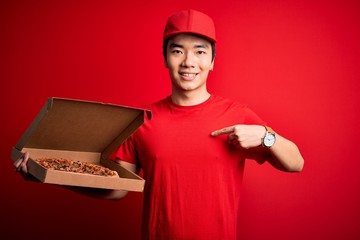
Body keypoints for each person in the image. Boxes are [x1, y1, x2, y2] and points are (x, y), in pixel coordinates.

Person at [14, 9, 304, 240]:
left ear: (213, 61)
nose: (189, 61)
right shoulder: (142, 120)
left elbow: (296, 163)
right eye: (178, 51)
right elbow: (117, 190)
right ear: (165, 58)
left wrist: (268, 136)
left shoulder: (237, 115)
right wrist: (48, 175)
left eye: (200, 51)